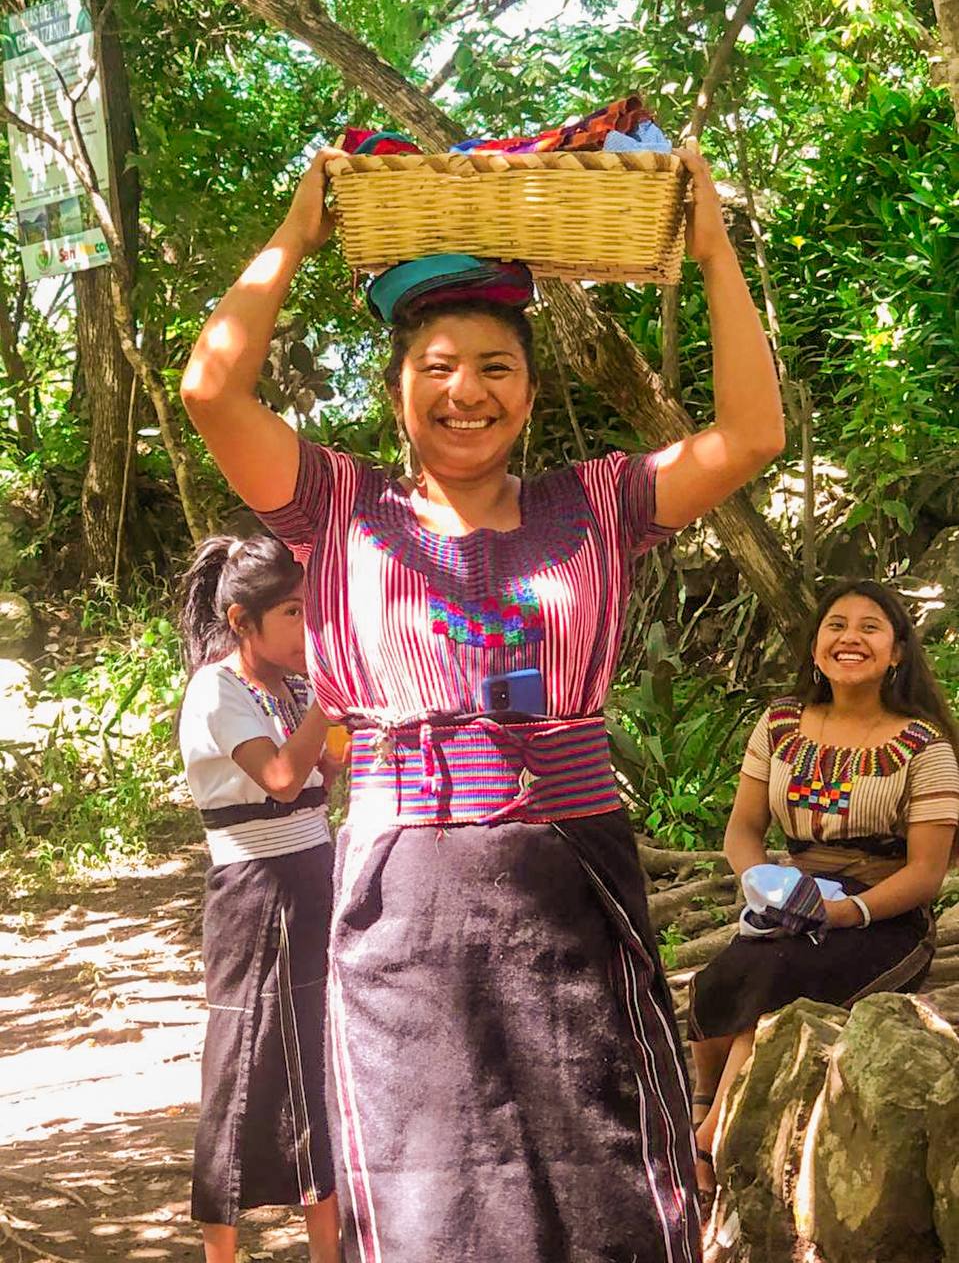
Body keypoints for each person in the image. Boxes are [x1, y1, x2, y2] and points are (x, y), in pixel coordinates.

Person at [179, 143, 784, 1262]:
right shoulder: (339, 507)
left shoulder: (598, 501)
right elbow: (212, 388)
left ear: (532, 391)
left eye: (496, 367)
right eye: (438, 366)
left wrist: (709, 249)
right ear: (399, 387)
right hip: (401, 895)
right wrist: (296, 234)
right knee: (423, 1194)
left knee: (606, 1172)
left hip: (571, 880)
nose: (468, 391)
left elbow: (750, 436)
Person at [688, 579, 959, 1199]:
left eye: (871, 627)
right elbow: (743, 831)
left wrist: (843, 911)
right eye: (837, 625)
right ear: (816, 647)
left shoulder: (925, 747)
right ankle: (703, 1103)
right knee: (720, 978)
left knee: (777, 977)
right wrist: (763, 884)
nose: (851, 638)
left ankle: (709, 1141)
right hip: (792, 903)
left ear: (897, 654)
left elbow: (925, 874)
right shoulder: (781, 724)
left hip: (887, 922)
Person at [177, 534, 340, 1263]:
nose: (309, 627)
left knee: (320, 1060)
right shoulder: (216, 690)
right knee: (241, 1063)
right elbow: (279, 776)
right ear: (242, 621)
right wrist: (331, 707)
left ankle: (328, 1250)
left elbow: (336, 762)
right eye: (293, 612)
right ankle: (221, 1254)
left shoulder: (294, 688)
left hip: (316, 878)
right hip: (254, 892)